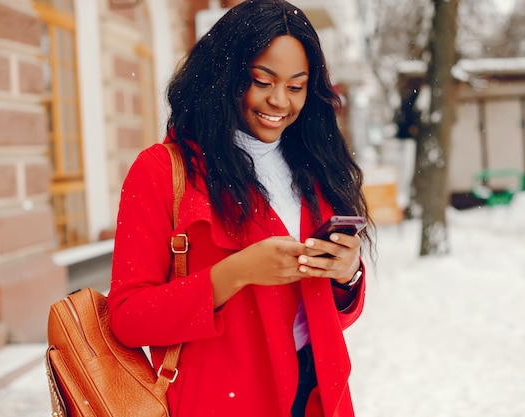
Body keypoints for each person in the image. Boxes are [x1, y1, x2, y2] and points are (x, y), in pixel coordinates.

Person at [107, 1, 374, 416]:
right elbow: (128, 318)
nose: (279, 101)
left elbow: (325, 313)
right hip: (222, 402)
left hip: (318, 395)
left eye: (296, 85)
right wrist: (233, 275)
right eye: (262, 80)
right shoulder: (162, 170)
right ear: (225, 75)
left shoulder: (314, 165)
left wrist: (345, 273)